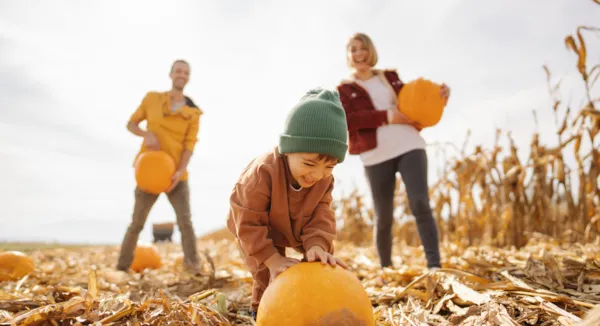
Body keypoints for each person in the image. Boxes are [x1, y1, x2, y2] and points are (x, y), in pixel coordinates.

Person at [227, 88, 349, 317]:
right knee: (266, 273)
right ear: (287, 150)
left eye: (329, 166)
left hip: (297, 222)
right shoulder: (261, 174)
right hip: (257, 227)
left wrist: (316, 245)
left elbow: (321, 215)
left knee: (319, 259)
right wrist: (273, 260)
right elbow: (248, 223)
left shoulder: (323, 180)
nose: (318, 174)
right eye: (310, 164)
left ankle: (312, 307)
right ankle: (261, 311)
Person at [336, 33, 451, 271]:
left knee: (420, 203)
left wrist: (438, 97)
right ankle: (386, 269)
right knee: (384, 216)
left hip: (409, 144)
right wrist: (387, 116)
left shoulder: (390, 77)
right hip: (375, 155)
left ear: (371, 51)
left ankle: (434, 267)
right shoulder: (344, 89)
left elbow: (414, 102)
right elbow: (347, 119)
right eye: (354, 50)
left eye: (363, 49)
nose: (359, 54)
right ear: (349, 56)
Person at [116, 59, 203, 274]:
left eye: (186, 72)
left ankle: (193, 268)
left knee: (185, 224)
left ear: (188, 77)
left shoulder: (194, 113)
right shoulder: (152, 99)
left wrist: (180, 170)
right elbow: (131, 123)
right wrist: (147, 134)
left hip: (176, 177)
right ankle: (121, 268)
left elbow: (190, 145)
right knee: (136, 224)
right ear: (171, 74)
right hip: (149, 174)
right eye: (178, 71)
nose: (181, 75)